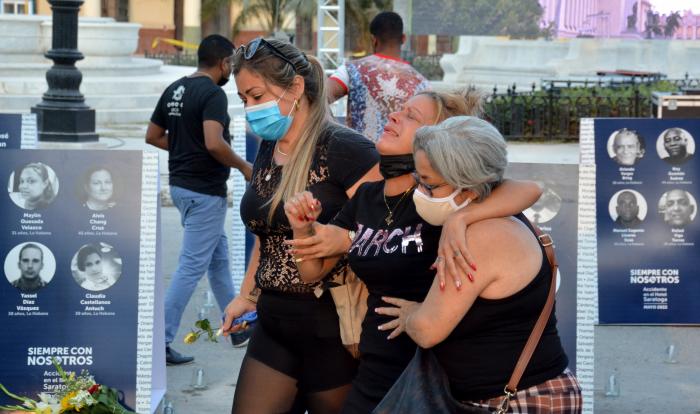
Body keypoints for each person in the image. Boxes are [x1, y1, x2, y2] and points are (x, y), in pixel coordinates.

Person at [283, 90, 543, 413]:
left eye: (412, 117)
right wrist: (303, 228)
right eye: (400, 110)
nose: (394, 117)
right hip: (372, 368)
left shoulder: (444, 201)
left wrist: (462, 217)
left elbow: (530, 188)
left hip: (424, 375)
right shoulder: (368, 197)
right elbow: (312, 271)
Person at [221, 37, 382, 414]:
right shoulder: (268, 147)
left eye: (256, 95)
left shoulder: (346, 148)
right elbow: (266, 230)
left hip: (331, 324)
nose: (250, 108)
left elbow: (386, 230)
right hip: (274, 321)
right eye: (244, 99)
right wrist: (247, 295)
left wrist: (339, 240)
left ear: (295, 87)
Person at [379, 116, 581, 412]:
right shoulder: (500, 215)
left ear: (469, 188)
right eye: (418, 181)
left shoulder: (482, 237)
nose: (420, 193)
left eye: (430, 185)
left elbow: (427, 330)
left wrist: (412, 314)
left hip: (519, 400)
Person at [146, 34, 252, 365]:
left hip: (182, 188)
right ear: (223, 63)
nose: (231, 73)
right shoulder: (213, 95)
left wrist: (182, 150)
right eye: (231, 66)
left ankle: (237, 327)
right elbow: (213, 142)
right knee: (190, 267)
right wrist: (245, 167)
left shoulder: (175, 88)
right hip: (204, 192)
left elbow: (153, 136)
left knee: (218, 262)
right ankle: (157, 342)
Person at [327, 11, 429, 142]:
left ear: (373, 40)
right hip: (403, 159)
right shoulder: (421, 82)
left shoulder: (352, 70)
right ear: (403, 38)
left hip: (359, 156)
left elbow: (320, 97)